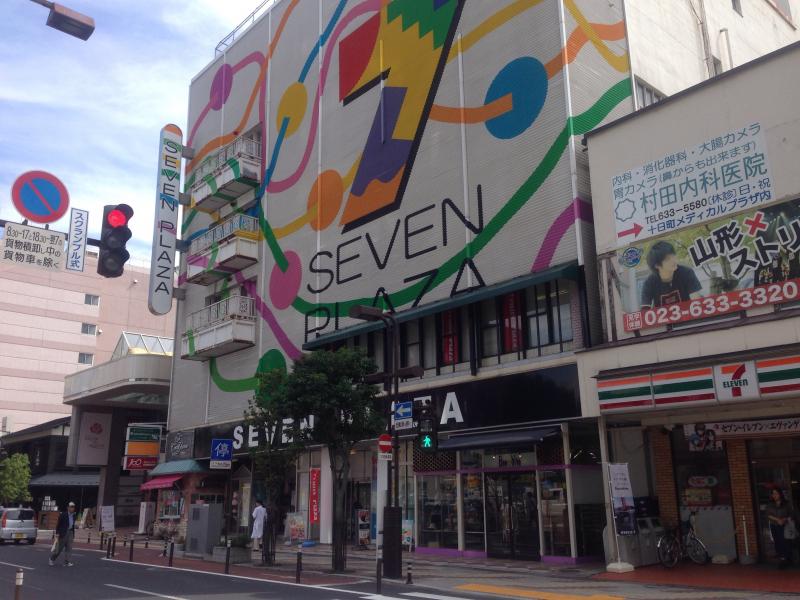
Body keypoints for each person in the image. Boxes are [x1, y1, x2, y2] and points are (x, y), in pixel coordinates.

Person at [641, 241, 702, 308]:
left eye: (673, 256)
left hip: (688, 315)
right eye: (668, 259)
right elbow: (645, 311)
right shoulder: (649, 283)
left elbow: (697, 302)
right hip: (663, 317)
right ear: (657, 265)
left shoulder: (687, 273)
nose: (674, 260)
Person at [766, 488, 794, 568]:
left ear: (780, 494)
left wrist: (784, 519)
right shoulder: (770, 504)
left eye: (776, 493)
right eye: (773, 494)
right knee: (777, 542)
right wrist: (777, 520)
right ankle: (782, 558)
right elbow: (768, 514)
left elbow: (791, 514)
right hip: (774, 525)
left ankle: (787, 558)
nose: (775, 495)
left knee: (785, 541)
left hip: (785, 525)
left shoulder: (786, 504)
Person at [49, 501, 76, 567]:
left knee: (69, 548)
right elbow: (58, 525)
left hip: (70, 532)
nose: (72, 508)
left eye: (73, 507)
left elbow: (72, 524)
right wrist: (57, 533)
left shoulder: (74, 515)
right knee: (59, 548)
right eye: (71, 507)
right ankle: (52, 559)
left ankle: (67, 562)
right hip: (63, 532)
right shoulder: (63, 514)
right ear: (68, 507)